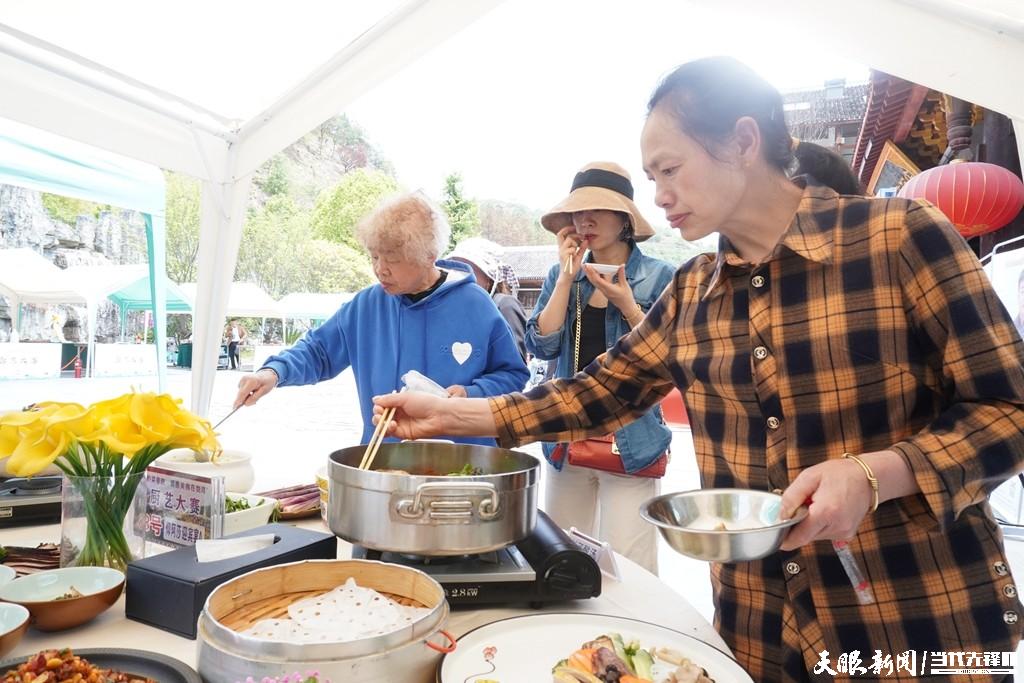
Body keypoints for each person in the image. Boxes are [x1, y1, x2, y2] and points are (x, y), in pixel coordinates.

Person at [373, 57, 1024, 682]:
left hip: (915, 619)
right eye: (652, 176)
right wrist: (455, 414)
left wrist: (877, 473)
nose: (659, 196)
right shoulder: (693, 291)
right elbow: (600, 391)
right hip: (758, 627)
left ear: (743, 139)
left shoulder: (898, 238)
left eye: (670, 169)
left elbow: (1009, 408)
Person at [233, 191, 529, 447]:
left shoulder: (475, 304)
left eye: (392, 258)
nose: (380, 269)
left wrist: (470, 393)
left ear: (428, 255)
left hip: (462, 469)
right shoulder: (367, 305)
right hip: (383, 463)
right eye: (374, 256)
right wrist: (273, 373)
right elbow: (317, 351)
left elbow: (513, 377)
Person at [525, 161, 674, 574]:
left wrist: (627, 303)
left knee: (631, 566)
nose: (583, 221)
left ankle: (633, 638)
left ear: (624, 218)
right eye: (577, 212)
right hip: (567, 436)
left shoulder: (660, 276)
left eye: (596, 210)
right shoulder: (564, 274)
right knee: (561, 556)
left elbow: (669, 356)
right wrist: (565, 281)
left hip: (632, 441)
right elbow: (542, 344)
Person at [447, 237, 529, 361]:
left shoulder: (505, 306)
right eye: (456, 268)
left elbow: (514, 369)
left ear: (489, 279)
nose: (460, 276)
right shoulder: (454, 311)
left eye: (469, 269)